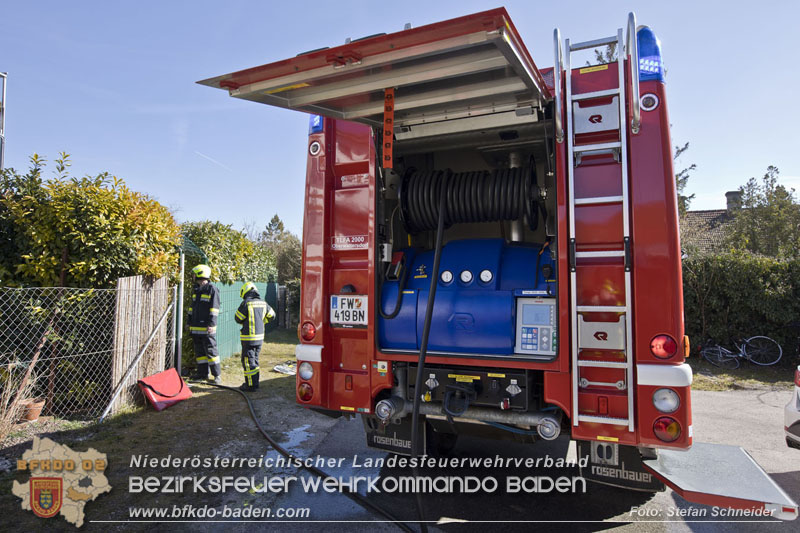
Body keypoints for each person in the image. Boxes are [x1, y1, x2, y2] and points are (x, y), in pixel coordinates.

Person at [234, 282, 275, 391]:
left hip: (248, 339)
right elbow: (272, 315)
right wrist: (263, 321)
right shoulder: (263, 303)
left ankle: (250, 385)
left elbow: (238, 318)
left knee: (248, 362)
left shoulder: (246, 303)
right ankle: (255, 383)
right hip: (259, 338)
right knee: (254, 361)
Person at [188, 264, 222, 384]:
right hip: (196, 327)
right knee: (200, 353)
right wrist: (189, 322)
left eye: (194, 274)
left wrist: (212, 324)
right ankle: (202, 374)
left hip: (207, 328)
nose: (193, 276)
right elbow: (192, 308)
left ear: (200, 274)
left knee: (211, 351)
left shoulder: (212, 289)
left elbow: (214, 309)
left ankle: (217, 375)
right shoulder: (196, 289)